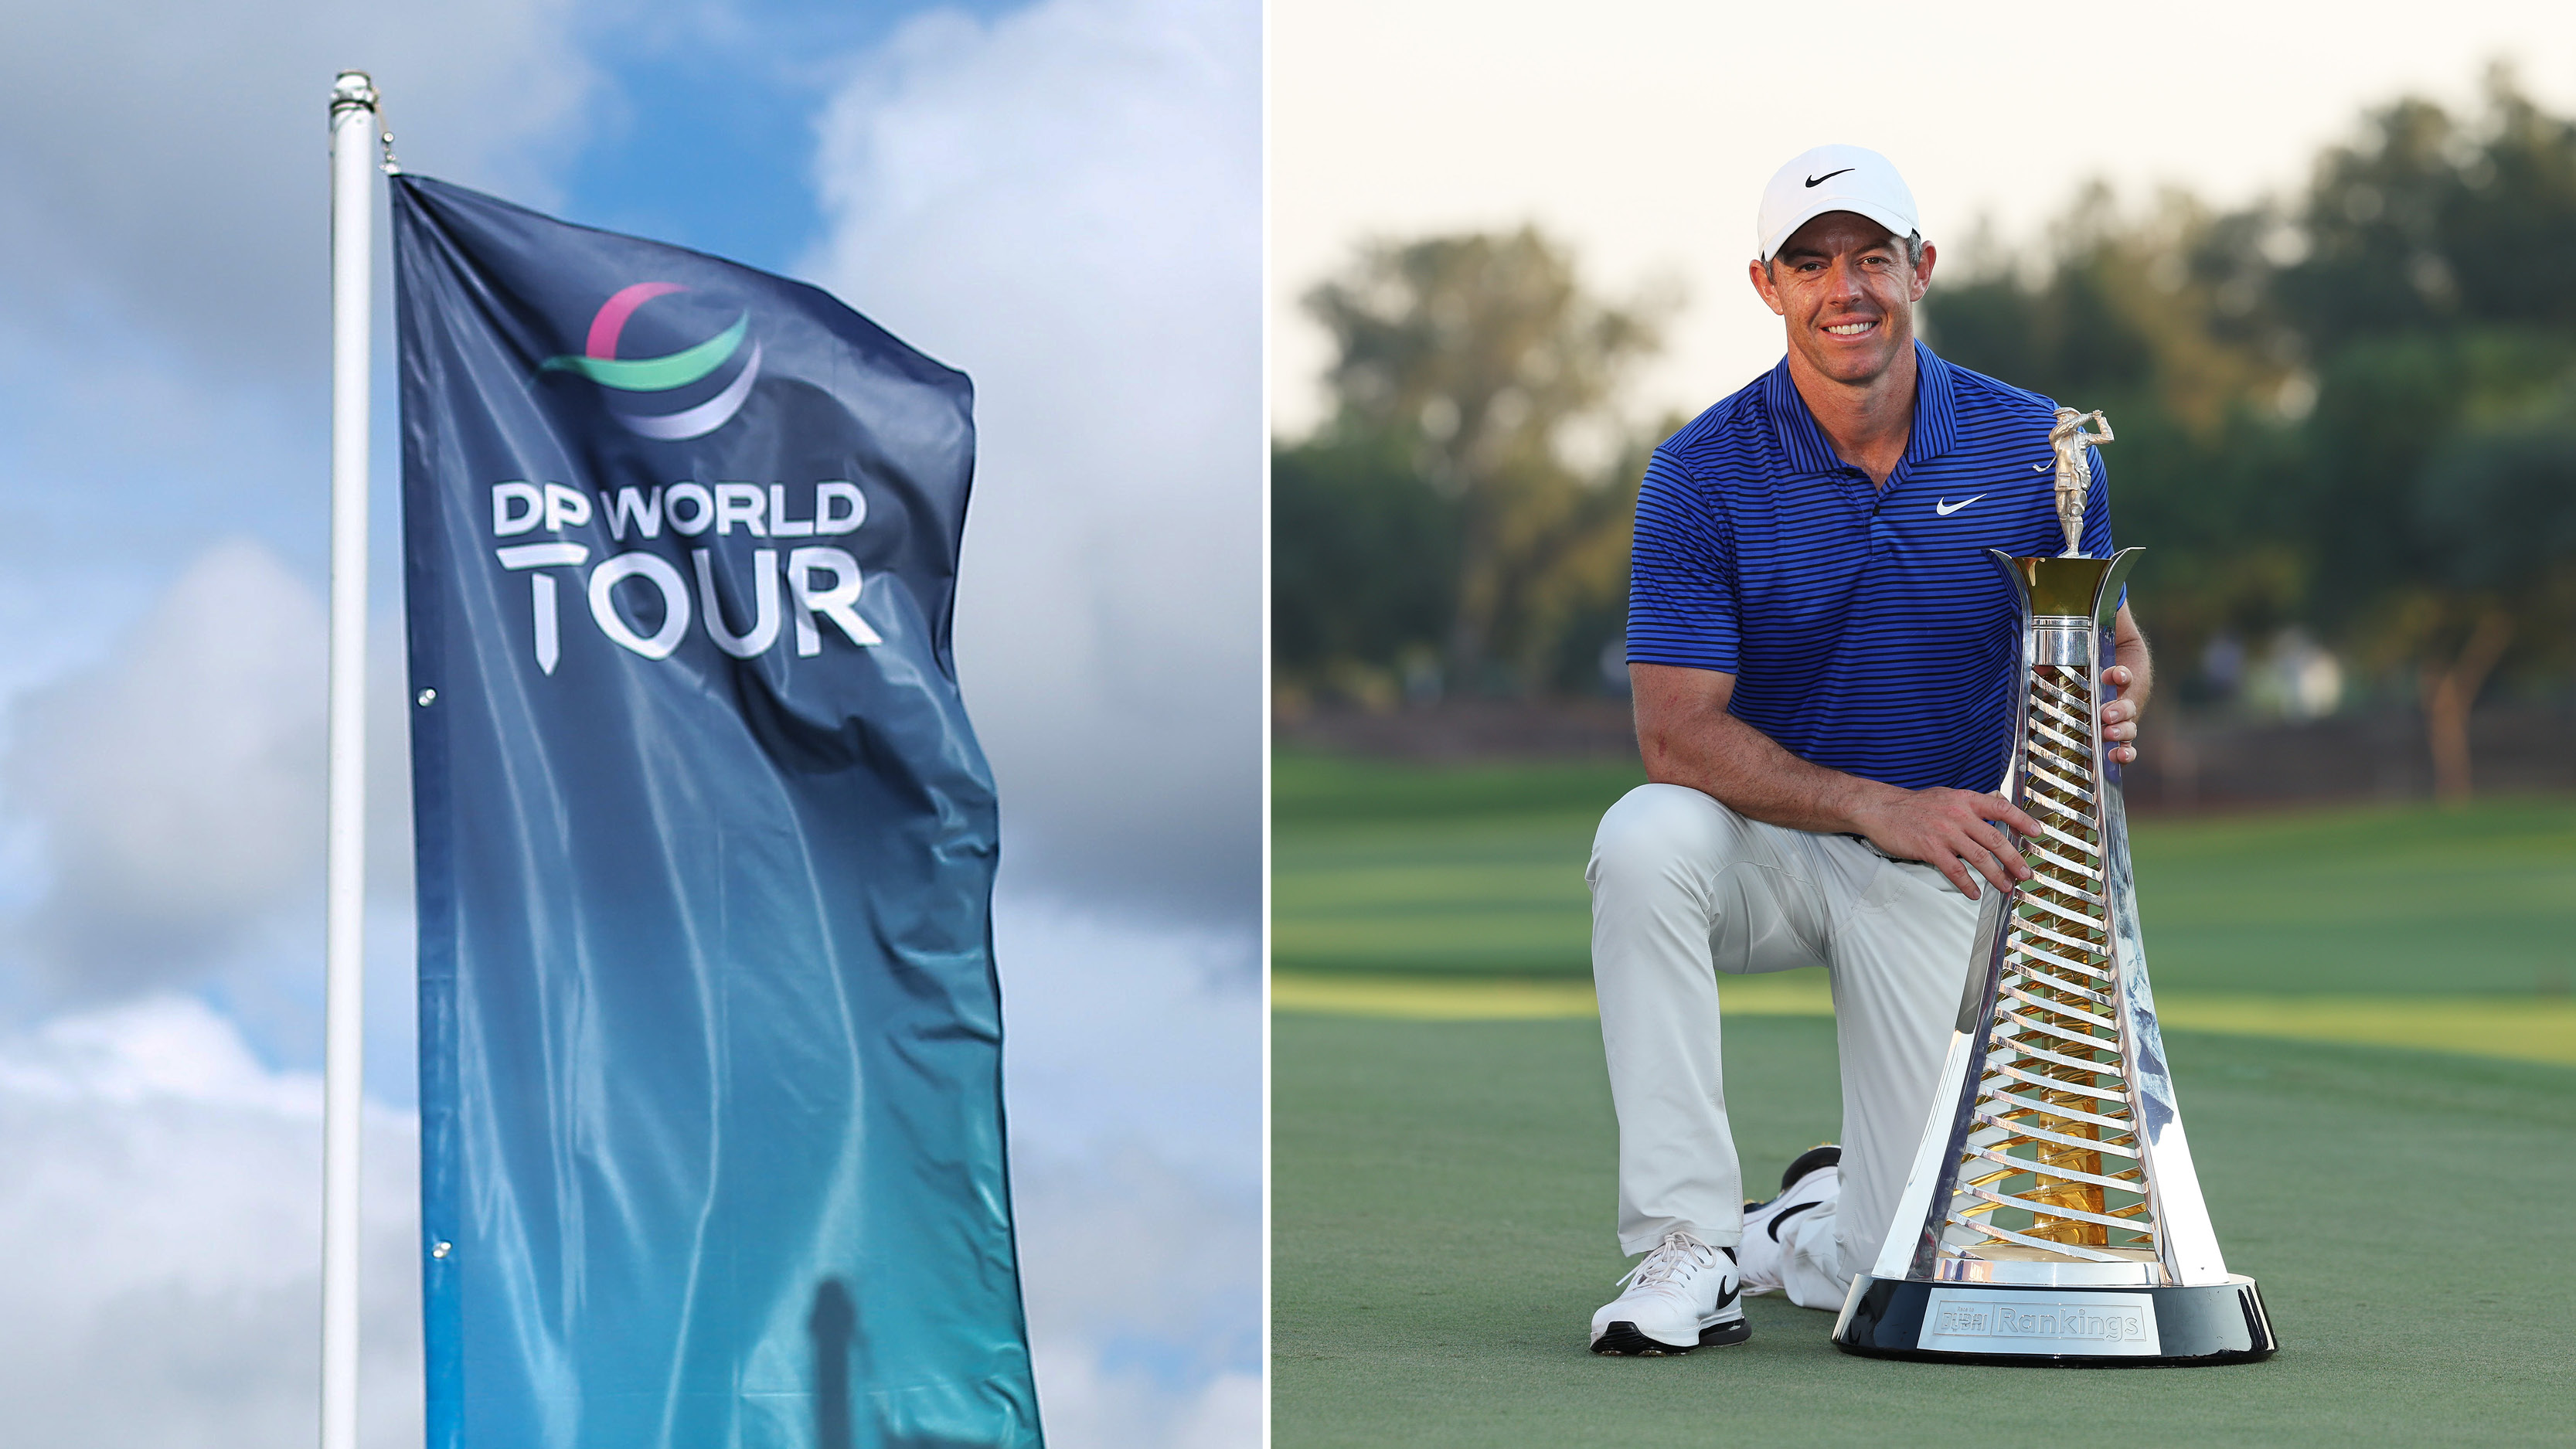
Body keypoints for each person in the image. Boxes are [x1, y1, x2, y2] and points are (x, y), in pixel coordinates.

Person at [1584, 144, 2152, 1356]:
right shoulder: (1699, 469)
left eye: (1869, 258)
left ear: (1919, 268)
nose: (1844, 288)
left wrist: (2117, 677)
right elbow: (1670, 731)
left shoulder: (2037, 444)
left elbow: (2102, 632)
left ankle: (1803, 1220)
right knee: (1640, 842)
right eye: (1810, 264)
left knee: (1898, 1271)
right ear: (1765, 287)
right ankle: (1684, 1245)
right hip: (1765, 844)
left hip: (1931, 862)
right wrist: (1869, 804)